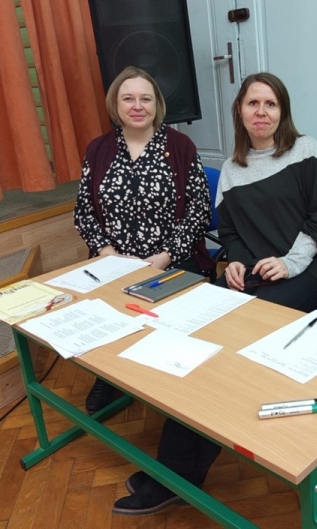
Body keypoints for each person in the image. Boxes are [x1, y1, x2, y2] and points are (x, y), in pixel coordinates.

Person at [111, 71, 317, 516]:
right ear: (240, 110)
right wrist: (234, 260)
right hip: (255, 274)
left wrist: (291, 262)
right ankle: (179, 466)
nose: (262, 112)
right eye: (253, 103)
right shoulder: (234, 169)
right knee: (189, 331)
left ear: (282, 111)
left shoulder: (306, 150)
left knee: (226, 344)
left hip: (310, 271)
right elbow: (231, 231)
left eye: (271, 104)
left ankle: (178, 473)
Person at [74, 66, 213, 414]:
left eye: (145, 99)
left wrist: (166, 256)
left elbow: (199, 211)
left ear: (157, 105)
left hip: (170, 261)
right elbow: (83, 212)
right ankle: (107, 373)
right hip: (112, 263)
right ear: (116, 104)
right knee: (104, 318)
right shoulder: (98, 149)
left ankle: (166, 377)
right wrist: (107, 253)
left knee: (174, 328)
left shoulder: (180, 146)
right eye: (128, 98)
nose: (137, 106)